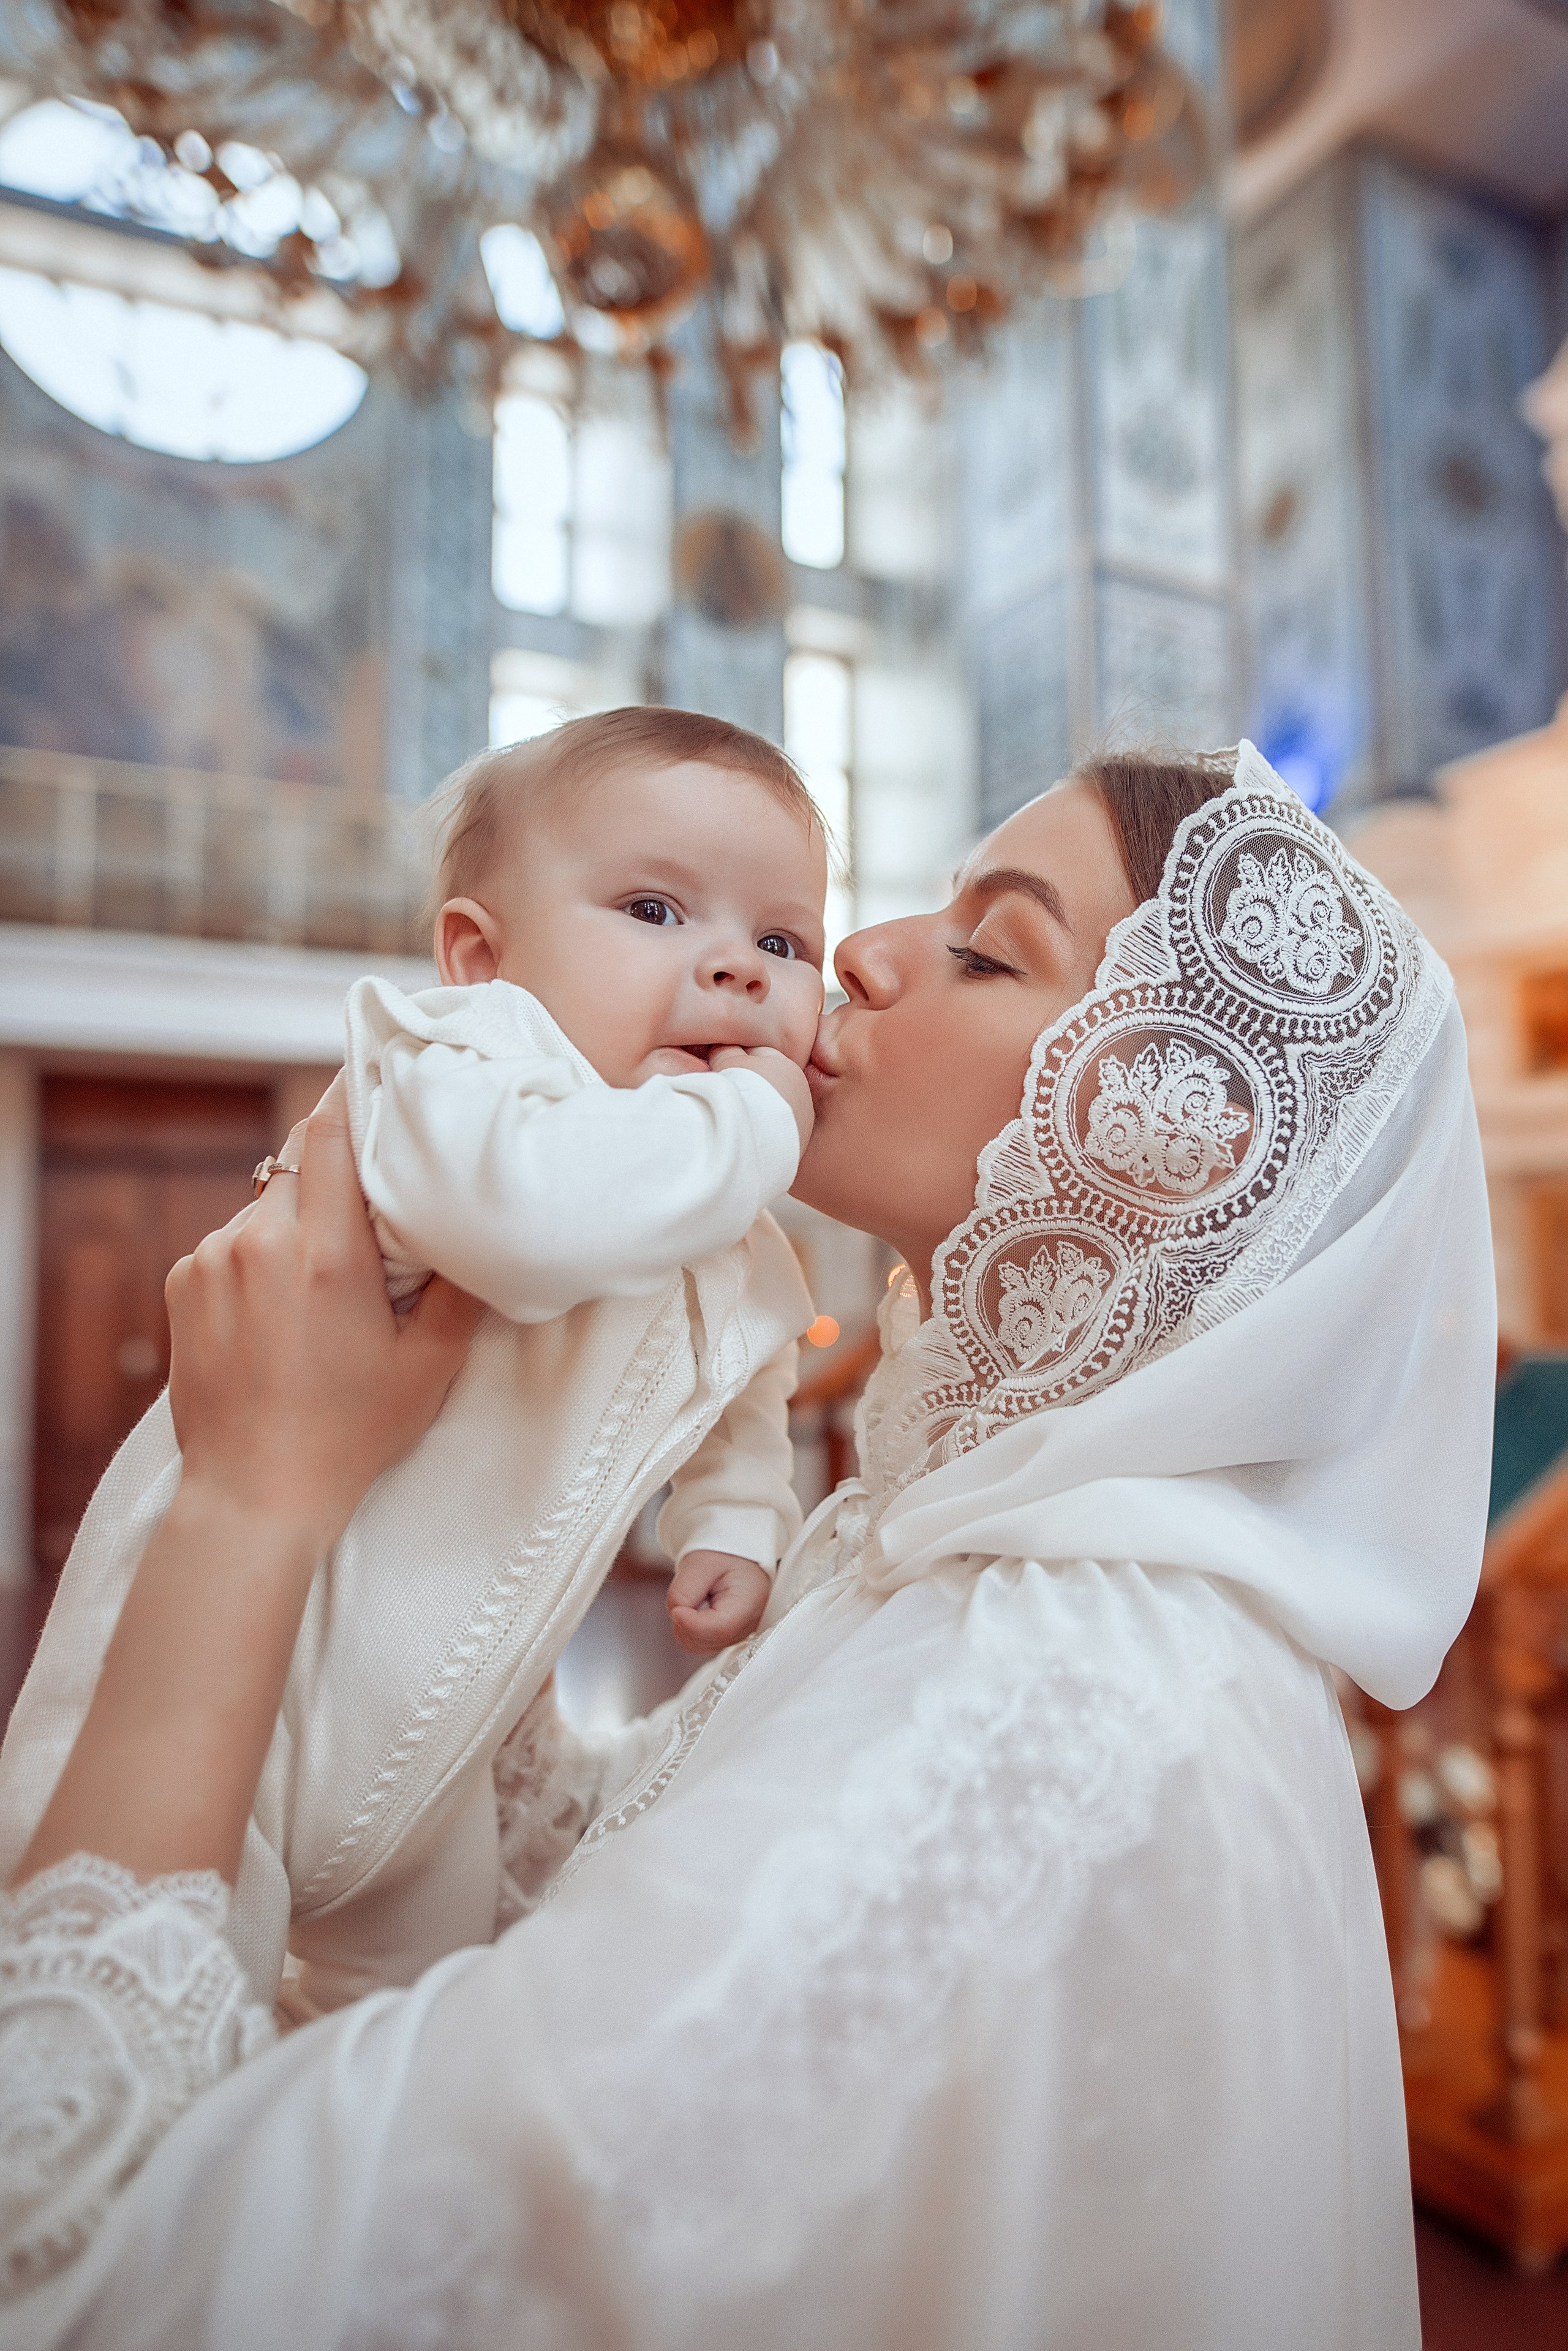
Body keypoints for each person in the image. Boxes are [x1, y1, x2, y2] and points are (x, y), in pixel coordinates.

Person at [0, 741, 1494, 2350]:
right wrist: (434, 1555)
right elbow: (628, 1886)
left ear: (1170, 1136)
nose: (847, 951)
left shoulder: (1054, 1709)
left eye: (988, 946)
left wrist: (257, 1501)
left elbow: (96, 2280)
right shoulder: (966, 1555)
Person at [0, 707, 826, 2020]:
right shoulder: (456, 1064)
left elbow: (745, 1360)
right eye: (655, 909)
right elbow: (535, 1220)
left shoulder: (710, 1207)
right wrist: (747, 1115)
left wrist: (735, 1513)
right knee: (150, 1979)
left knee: (402, 2028)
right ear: (477, 956)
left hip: (449, 1724)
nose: (734, 967)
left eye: (781, 941)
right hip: (235, 1670)